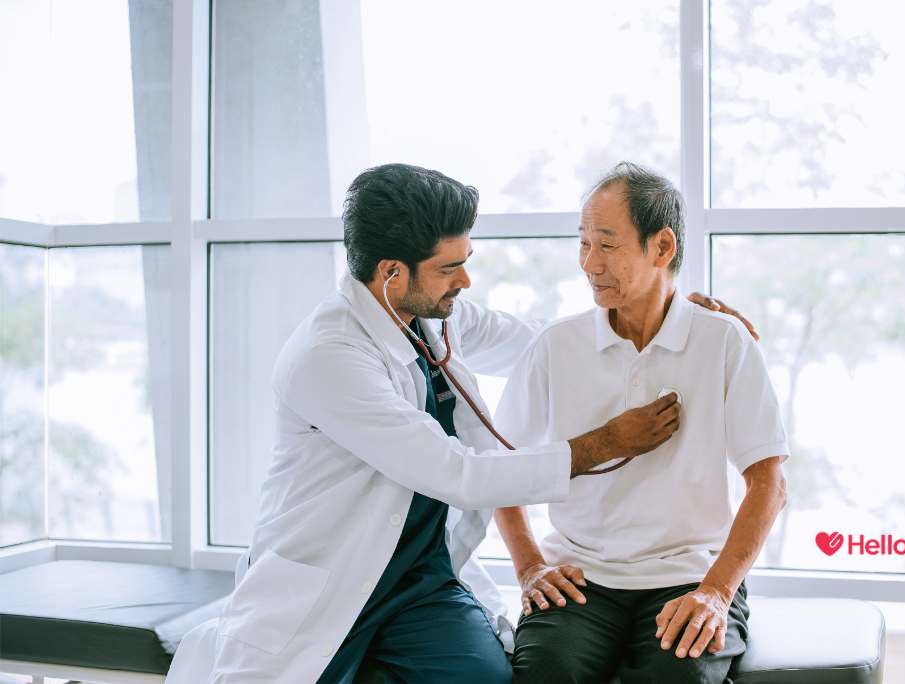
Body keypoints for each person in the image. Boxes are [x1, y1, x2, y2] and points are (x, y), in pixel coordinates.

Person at [166, 163, 692, 683]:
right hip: (328, 582)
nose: (465, 280)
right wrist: (604, 444)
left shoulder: (434, 315)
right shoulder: (329, 356)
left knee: (486, 681)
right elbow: (458, 474)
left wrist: (666, 309)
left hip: (420, 582)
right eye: (448, 268)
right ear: (392, 272)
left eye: (465, 261)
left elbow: (543, 343)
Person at [494, 162, 789, 684]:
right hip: (580, 577)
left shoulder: (723, 341)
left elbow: (768, 484)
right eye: (583, 244)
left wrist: (716, 592)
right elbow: (502, 472)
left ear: (662, 247)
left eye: (607, 245)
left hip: (689, 571)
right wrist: (530, 567)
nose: (589, 263)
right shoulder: (556, 347)